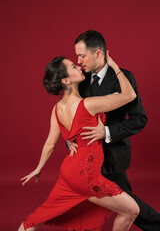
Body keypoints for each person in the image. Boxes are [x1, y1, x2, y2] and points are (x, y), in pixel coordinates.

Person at [18, 52, 139, 231]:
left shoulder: (56, 109)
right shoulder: (88, 105)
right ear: (66, 81)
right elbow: (130, 95)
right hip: (86, 176)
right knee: (131, 211)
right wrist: (113, 65)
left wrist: (39, 168)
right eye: (73, 67)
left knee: (34, 220)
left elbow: (51, 143)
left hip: (68, 172)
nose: (79, 66)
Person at [66, 30, 160, 230]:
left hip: (113, 159)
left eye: (82, 55)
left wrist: (106, 132)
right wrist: (68, 139)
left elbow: (139, 119)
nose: (78, 60)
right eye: (77, 56)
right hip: (85, 158)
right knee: (82, 206)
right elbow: (70, 112)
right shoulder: (79, 79)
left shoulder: (124, 78)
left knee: (130, 206)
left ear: (98, 54)